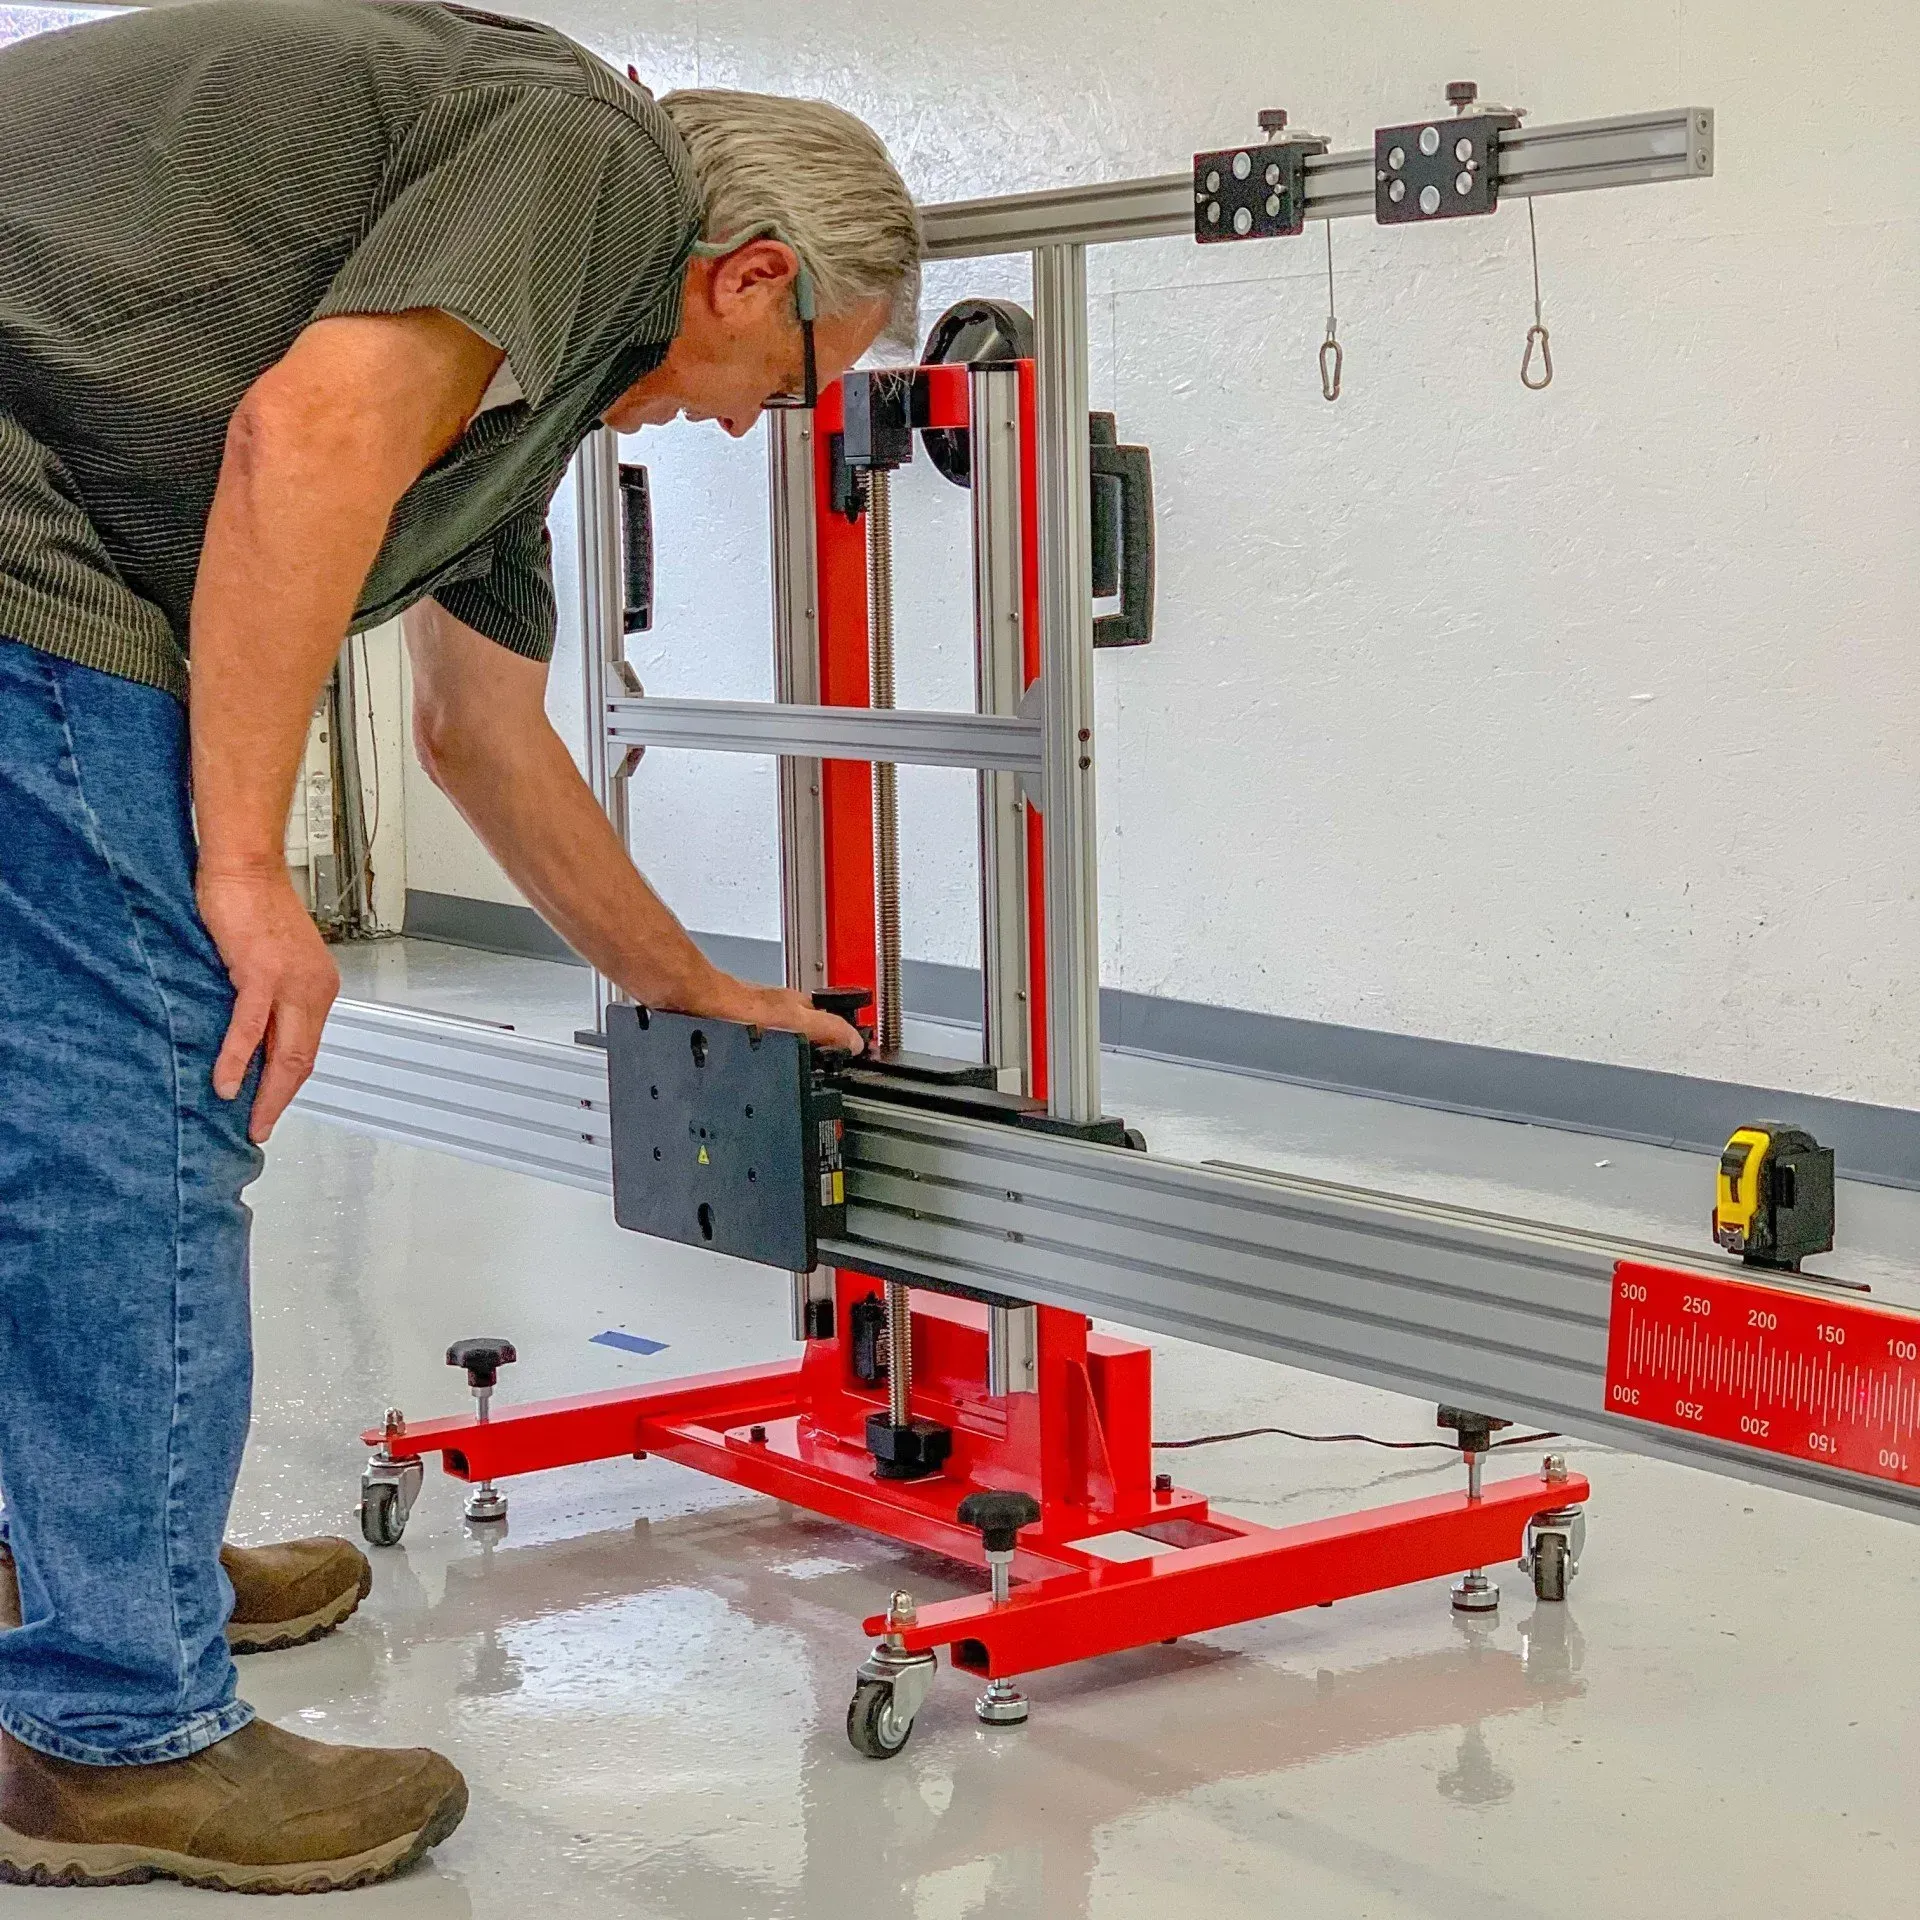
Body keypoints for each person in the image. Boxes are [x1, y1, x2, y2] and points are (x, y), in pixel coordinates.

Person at [0, 0, 911, 1893]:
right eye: (795, 375)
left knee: (53, 1104)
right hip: (28, 533)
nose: (758, 424)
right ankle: (112, 1724)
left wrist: (695, 991)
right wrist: (246, 873)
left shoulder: (530, 395)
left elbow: (476, 733)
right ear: (748, 273)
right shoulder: (587, 161)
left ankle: (86, 1554)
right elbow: (301, 434)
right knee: (160, 1096)